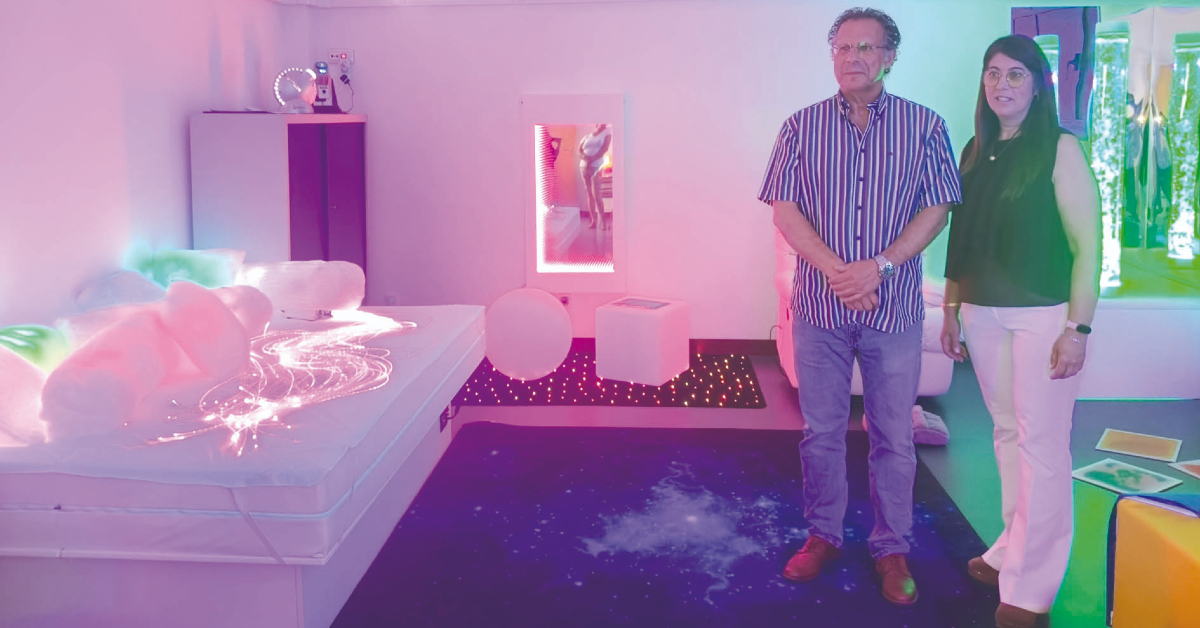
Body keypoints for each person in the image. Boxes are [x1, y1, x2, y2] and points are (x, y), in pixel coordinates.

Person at [758, 7, 962, 606]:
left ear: (890, 57)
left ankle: (891, 547)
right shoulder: (800, 127)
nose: (853, 58)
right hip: (820, 311)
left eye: (867, 48)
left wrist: (881, 266)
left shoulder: (925, 126)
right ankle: (822, 535)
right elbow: (784, 210)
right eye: (843, 48)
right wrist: (839, 272)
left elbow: (937, 208)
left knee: (893, 435)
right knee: (820, 432)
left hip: (892, 311)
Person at [941, 34, 1101, 628]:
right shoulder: (974, 149)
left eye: (1015, 74)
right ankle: (1012, 546)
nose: (1001, 84)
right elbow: (961, 239)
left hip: (1043, 314)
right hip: (982, 311)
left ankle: (1032, 587)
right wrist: (951, 307)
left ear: (1038, 85)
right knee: (1008, 433)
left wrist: (1077, 328)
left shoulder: (1061, 148)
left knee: (1042, 443)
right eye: (993, 73)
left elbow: (1088, 247)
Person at [578, 123, 612, 229]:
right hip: (583, 165)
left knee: (597, 194)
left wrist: (592, 159)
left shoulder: (607, 134)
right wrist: (584, 157)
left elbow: (604, 149)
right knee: (589, 194)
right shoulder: (587, 136)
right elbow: (579, 150)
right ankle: (593, 221)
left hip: (596, 165)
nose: (603, 125)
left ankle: (603, 222)